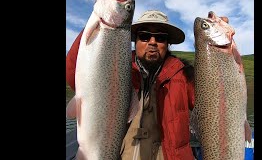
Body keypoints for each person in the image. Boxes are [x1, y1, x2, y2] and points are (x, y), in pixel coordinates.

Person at [66, 10, 229, 160]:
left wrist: (218, 52)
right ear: (135, 41)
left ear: (168, 44)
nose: (152, 42)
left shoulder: (185, 74)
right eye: (144, 36)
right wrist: (97, 26)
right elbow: (73, 73)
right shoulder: (116, 68)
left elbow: (216, 104)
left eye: (160, 38)